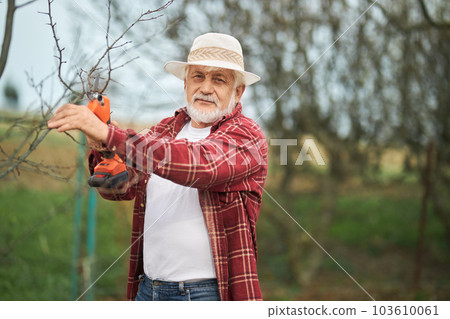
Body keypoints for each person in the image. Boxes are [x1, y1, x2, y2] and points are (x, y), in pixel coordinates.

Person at [47, 32, 268, 301]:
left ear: (238, 91)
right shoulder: (164, 130)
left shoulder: (247, 136)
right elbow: (120, 188)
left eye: (219, 79)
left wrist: (110, 135)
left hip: (207, 295)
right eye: (198, 76)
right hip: (148, 290)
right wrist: (103, 148)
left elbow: (199, 164)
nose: (206, 88)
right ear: (185, 83)